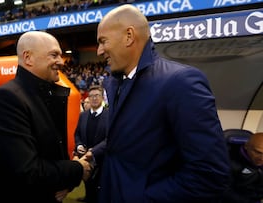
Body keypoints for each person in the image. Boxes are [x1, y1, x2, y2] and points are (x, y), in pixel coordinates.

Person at [95, 4, 230, 202]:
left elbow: (210, 173)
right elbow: (124, 141)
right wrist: (93, 156)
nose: (98, 51)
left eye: (102, 41)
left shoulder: (181, 82)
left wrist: (141, 198)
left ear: (129, 36)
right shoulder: (116, 83)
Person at [0, 31, 92, 203]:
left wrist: (66, 181)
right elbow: (26, 170)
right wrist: (77, 169)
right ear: (28, 58)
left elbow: (54, 156)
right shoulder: (6, 98)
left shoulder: (47, 95)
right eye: (53, 55)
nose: (60, 61)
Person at [74, 85, 108, 203]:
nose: (94, 98)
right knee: (88, 185)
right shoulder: (83, 115)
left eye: (97, 95)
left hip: (103, 159)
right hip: (86, 160)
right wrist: (78, 145)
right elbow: (77, 133)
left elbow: (110, 138)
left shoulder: (109, 115)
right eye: (91, 96)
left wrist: (94, 151)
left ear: (102, 97)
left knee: (101, 189)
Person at [221, 132, 263, 203]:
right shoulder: (227, 161)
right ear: (246, 146)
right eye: (258, 152)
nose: (262, 158)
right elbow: (223, 190)